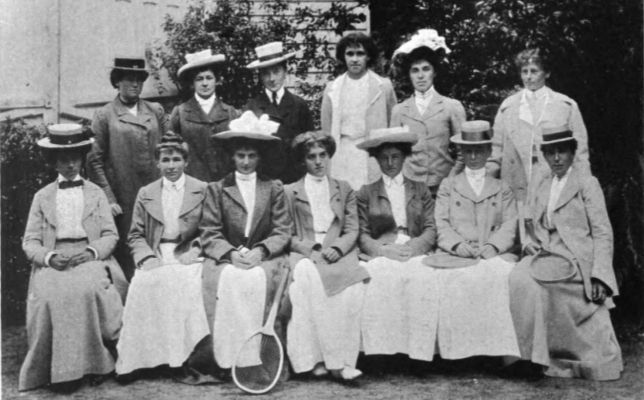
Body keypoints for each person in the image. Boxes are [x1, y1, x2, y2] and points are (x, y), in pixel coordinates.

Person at [508, 126, 622, 380]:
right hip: (546, 253)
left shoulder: (587, 183)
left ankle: (552, 356)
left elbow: (603, 232)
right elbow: (531, 221)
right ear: (545, 156)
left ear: (572, 153)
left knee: (543, 286)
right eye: (551, 153)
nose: (556, 158)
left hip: (576, 258)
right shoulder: (543, 182)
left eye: (562, 152)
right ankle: (526, 356)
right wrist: (530, 243)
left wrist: (600, 275)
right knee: (518, 278)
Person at [20, 124, 127, 392]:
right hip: (55, 257)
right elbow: (30, 241)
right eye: (63, 159)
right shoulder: (42, 196)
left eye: (74, 158)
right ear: (54, 162)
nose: (69, 164)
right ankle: (59, 371)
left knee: (87, 287)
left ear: (82, 159)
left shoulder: (96, 193)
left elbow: (109, 235)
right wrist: (48, 257)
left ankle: (95, 364)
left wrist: (91, 252)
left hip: (88, 255)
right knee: (50, 292)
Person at [200, 111, 292, 371]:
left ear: (259, 157)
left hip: (264, 259)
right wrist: (230, 254)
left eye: (252, 156)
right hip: (229, 259)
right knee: (229, 280)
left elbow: (282, 230)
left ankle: (256, 357)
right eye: (241, 155)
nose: (246, 162)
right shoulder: (217, 189)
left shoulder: (273, 188)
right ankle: (228, 358)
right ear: (232, 156)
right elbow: (209, 231)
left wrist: (261, 251)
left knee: (258, 279)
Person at [115, 134, 210, 381]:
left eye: (176, 159)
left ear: (186, 162)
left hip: (187, 252)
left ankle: (178, 359)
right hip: (156, 251)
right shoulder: (146, 192)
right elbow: (135, 234)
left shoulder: (201, 189)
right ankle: (136, 361)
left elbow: (211, 229)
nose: (171, 166)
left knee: (183, 284)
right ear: (157, 163)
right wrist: (145, 256)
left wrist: (196, 249)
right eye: (165, 160)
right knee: (143, 284)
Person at [426, 120, 520, 360]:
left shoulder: (502, 187)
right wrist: (458, 245)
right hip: (457, 254)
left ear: (489, 152)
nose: (474, 156)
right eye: (468, 150)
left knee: (498, 276)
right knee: (452, 280)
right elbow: (442, 222)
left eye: (480, 150)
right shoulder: (449, 185)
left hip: (492, 252)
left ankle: (496, 351)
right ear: (462, 153)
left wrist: (493, 246)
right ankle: (458, 352)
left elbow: (511, 223)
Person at [284, 131, 369, 383]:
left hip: (338, 252)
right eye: (312, 157)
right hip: (306, 252)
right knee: (308, 280)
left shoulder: (344, 189)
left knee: (351, 290)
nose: (319, 161)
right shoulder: (290, 191)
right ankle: (313, 359)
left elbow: (353, 228)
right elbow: (286, 232)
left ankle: (341, 362)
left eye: (323, 155)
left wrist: (339, 248)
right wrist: (309, 249)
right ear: (303, 161)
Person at [355, 126, 437, 362]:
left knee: (422, 276)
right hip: (383, 251)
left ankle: (418, 353)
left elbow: (431, 228)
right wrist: (383, 250)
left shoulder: (420, 189)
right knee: (379, 276)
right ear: (376, 160)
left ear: (404, 157)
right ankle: (383, 353)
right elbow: (362, 234)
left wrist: (414, 248)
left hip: (414, 248)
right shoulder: (366, 192)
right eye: (384, 158)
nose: (390, 163)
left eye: (395, 157)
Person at [87, 57, 169, 279]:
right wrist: (109, 198)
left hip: (155, 193)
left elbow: (168, 150)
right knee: (129, 253)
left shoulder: (155, 110)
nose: (136, 84)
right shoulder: (105, 115)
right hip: (124, 198)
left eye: (139, 79)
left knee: (157, 246)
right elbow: (94, 160)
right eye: (129, 79)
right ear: (117, 82)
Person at [487, 48, 589, 203]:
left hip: (554, 182)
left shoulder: (565, 105)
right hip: (515, 186)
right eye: (524, 72)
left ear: (546, 73)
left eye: (534, 71)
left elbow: (580, 154)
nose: (528, 77)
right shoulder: (508, 107)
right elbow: (496, 152)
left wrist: (585, 190)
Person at [390, 29, 466, 197]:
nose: (421, 76)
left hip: (444, 188)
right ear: (409, 75)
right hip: (410, 189)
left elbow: (464, 152)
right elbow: (394, 154)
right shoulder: (399, 111)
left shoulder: (451, 107)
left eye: (426, 69)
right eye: (415, 70)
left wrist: (450, 181)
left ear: (435, 72)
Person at [321, 32, 397, 190]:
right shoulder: (332, 88)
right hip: (343, 153)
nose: (354, 59)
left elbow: (393, 125)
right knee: (345, 200)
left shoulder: (383, 86)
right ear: (343, 57)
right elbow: (326, 133)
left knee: (373, 202)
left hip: (372, 153)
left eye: (360, 53)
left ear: (368, 56)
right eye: (350, 54)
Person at [245, 41, 314, 184]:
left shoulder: (299, 105)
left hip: (294, 179)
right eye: (266, 73)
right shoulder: (252, 107)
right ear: (260, 76)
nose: (272, 78)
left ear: (285, 72)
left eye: (276, 71)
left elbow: (309, 146)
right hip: (264, 180)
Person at [170, 49, 240, 182]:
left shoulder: (231, 112)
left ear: (217, 80)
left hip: (226, 183)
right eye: (199, 79)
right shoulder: (180, 112)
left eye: (209, 78)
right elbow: (172, 151)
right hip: (193, 183)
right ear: (192, 84)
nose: (205, 83)